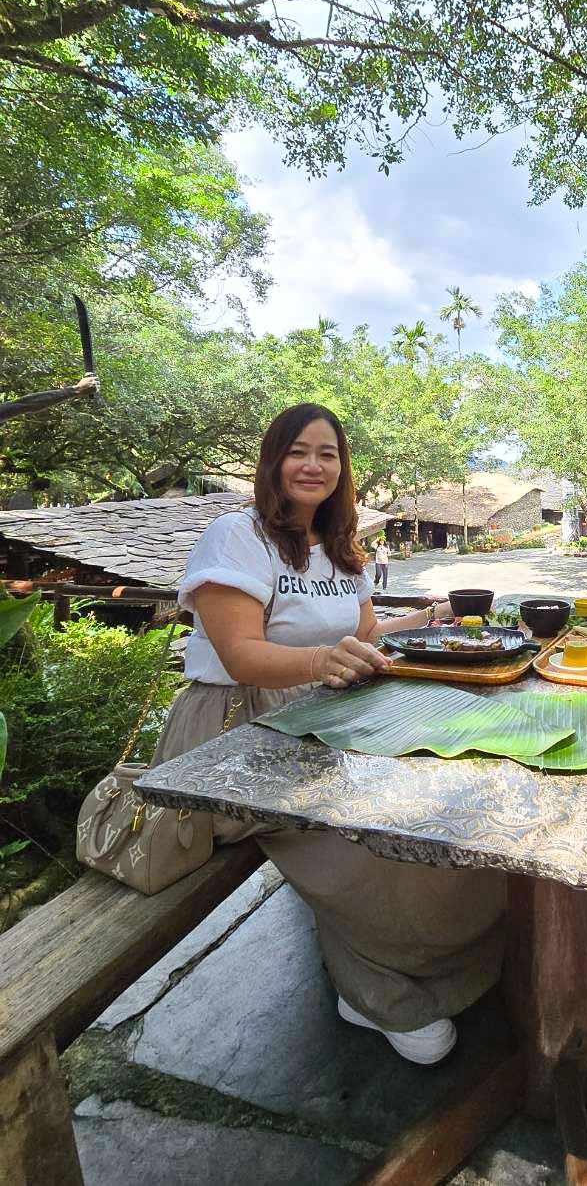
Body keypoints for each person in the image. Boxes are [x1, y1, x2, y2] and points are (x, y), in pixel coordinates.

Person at [153, 403, 506, 1065]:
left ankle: (417, 962)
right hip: (233, 731)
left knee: (439, 802)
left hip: (320, 719)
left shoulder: (343, 551)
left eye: (329, 453)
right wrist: (324, 663)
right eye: (299, 450)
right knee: (365, 840)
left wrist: (436, 618)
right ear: (272, 460)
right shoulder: (238, 535)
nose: (315, 464)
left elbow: (363, 639)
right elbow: (242, 655)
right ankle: (377, 995)